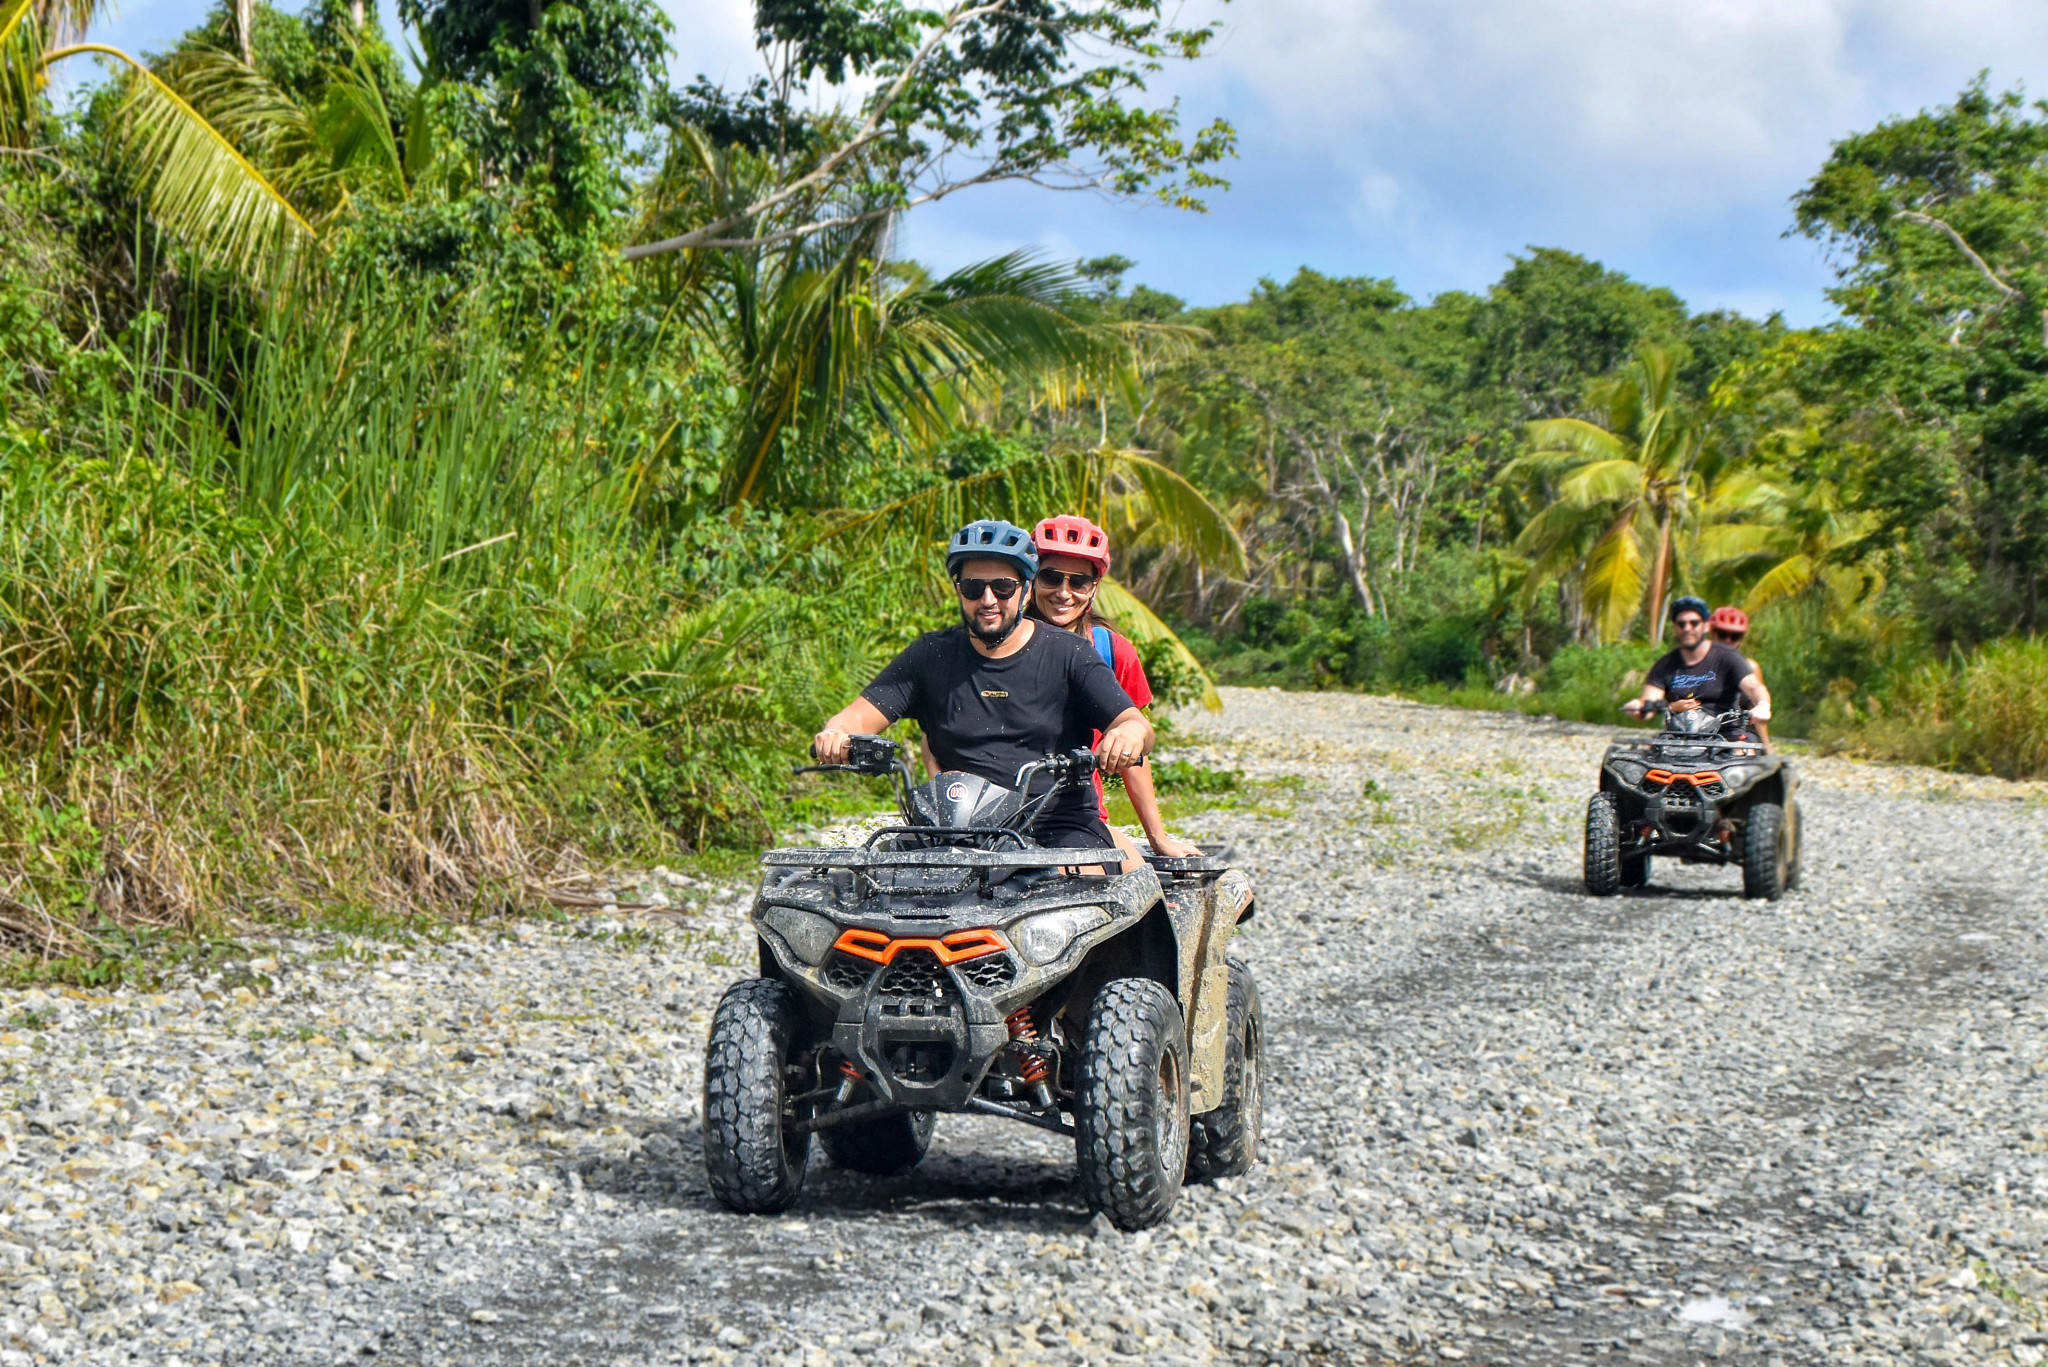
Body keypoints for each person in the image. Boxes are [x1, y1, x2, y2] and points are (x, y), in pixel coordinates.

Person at [811, 519, 1153, 859]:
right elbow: (856, 718)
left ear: (1026, 589)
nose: (988, 600)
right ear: (959, 590)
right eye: (974, 587)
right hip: (954, 829)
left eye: (1003, 587)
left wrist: (1129, 735)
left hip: (1056, 826)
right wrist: (836, 732)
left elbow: (1134, 723)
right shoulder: (930, 655)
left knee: (1095, 881)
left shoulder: (1071, 653)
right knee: (877, 879)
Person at [1026, 513, 1205, 863]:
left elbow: (1136, 748)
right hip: (998, 814)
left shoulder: (1112, 651)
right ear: (1031, 577)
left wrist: (1158, 837)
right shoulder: (997, 644)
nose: (1063, 592)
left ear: (1094, 588)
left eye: (1079, 582)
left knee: (1137, 883)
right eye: (1051, 577)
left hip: (1078, 819)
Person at [1622, 595, 1773, 744]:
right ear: (1675, 627)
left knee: (1741, 753)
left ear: (1705, 626)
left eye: (1694, 623)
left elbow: (1754, 687)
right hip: (1680, 738)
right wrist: (1638, 708)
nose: (1687, 628)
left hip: (1726, 736)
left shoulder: (1729, 657)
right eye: (1681, 624)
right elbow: (1648, 705)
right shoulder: (1664, 665)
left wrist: (1763, 706)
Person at [1709, 605, 1770, 746]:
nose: (1728, 640)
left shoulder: (1749, 667)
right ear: (1713, 633)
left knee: (1746, 751)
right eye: (1723, 634)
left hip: (1738, 733)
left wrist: (1768, 749)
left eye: (1735, 636)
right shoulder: (1695, 664)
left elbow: (1757, 709)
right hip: (1701, 731)